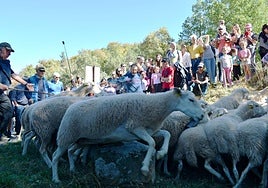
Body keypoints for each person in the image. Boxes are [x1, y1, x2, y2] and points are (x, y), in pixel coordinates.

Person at [0, 42, 31, 140]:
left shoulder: (6, 63)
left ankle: (3, 133)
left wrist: (26, 84)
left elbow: (14, 75)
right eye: (7, 50)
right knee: (7, 110)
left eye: (10, 51)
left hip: (1, 93)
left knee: (8, 112)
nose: (9, 53)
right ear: (1, 49)